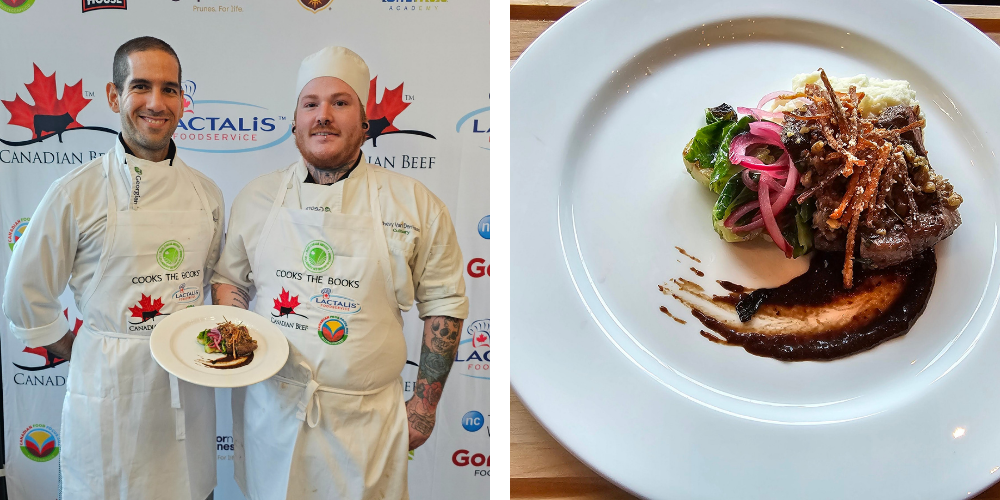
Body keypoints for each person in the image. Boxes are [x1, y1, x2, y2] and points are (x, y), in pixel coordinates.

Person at [210, 46, 468, 500]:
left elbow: (445, 301)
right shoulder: (257, 198)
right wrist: (240, 342)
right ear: (295, 122)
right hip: (273, 412)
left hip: (366, 425)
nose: (323, 115)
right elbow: (231, 278)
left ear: (364, 124)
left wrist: (424, 405)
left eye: (340, 103)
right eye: (310, 104)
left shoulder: (415, 203)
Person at [2, 37, 223, 500]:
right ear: (113, 95)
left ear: (183, 100)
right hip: (110, 389)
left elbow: (210, 283)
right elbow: (26, 293)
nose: (156, 103)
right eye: (141, 86)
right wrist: (85, 346)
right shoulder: (76, 192)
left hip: (186, 387)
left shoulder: (207, 193)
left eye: (170, 89)